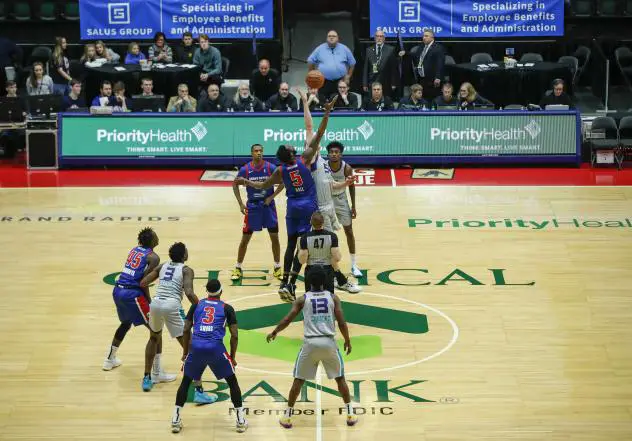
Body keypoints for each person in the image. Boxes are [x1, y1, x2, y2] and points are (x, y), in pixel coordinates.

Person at [235, 97, 337, 302]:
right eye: (291, 147)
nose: (294, 146)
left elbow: (262, 186)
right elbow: (320, 133)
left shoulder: (280, 171)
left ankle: (284, 283)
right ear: (291, 153)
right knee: (303, 246)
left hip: (292, 209)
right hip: (308, 207)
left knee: (291, 244)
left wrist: (246, 181)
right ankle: (290, 283)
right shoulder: (305, 159)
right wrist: (326, 113)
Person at [266, 265, 358, 429]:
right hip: (329, 342)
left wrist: (275, 331)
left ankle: (287, 416)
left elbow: (287, 319)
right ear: (325, 281)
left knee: (298, 380)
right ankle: (350, 413)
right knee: (340, 378)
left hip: (310, 343)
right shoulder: (333, 297)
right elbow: (342, 322)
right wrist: (347, 340)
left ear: (308, 281)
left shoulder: (302, 299)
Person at [298, 91, 360, 293]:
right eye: (310, 142)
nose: (312, 140)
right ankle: (338, 279)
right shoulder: (310, 161)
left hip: (330, 206)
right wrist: (327, 113)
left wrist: (306, 103)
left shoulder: (321, 161)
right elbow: (317, 131)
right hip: (321, 211)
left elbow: (332, 185)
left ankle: (331, 277)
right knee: (331, 249)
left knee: (329, 248)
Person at [139, 242, 213, 403]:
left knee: (153, 338)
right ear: (184, 256)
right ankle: (198, 390)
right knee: (192, 347)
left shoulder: (162, 266)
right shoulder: (186, 270)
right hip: (172, 306)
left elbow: (143, 282)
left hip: (156, 304)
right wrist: (201, 307)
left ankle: (147, 378)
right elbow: (189, 293)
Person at [172, 279, 247, 434]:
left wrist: (185, 352)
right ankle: (240, 420)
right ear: (221, 291)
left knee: (186, 382)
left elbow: (186, 330)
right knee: (232, 382)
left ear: (206, 291)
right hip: (215, 348)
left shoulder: (196, 305)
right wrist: (232, 357)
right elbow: (234, 335)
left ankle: (175, 419)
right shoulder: (227, 308)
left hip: (196, 347)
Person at [103, 228, 174, 385]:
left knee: (125, 323)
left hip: (118, 290)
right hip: (132, 294)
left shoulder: (135, 250)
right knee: (157, 330)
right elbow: (144, 281)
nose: (157, 237)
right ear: (152, 241)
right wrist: (149, 301)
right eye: (155, 236)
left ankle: (109, 359)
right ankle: (156, 372)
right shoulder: (153, 257)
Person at [231, 144, 283, 281]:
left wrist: (272, 197)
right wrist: (240, 203)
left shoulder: (270, 167)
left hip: (268, 207)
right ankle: (238, 267)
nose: (259, 153)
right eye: (256, 151)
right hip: (253, 208)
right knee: (245, 240)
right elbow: (234, 184)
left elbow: (283, 182)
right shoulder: (245, 169)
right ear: (251, 153)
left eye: (260, 151)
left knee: (275, 238)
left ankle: (278, 267)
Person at [327, 142, 362, 278]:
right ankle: (329, 265)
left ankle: (353, 265)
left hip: (341, 198)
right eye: (332, 152)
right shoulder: (324, 166)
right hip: (327, 200)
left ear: (340, 154)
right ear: (328, 154)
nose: (334, 154)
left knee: (349, 231)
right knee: (327, 233)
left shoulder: (346, 168)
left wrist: (353, 206)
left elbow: (351, 186)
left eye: (336, 152)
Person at [307, 30, 356, 100]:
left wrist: (348, 76)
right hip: (323, 81)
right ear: (326, 39)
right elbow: (310, 61)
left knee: (339, 100)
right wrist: (313, 74)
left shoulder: (344, 49)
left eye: (334, 36)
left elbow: (352, 63)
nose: (331, 38)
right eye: (329, 36)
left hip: (340, 81)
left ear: (338, 38)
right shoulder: (320, 48)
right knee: (323, 100)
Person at [362, 30, 402, 97]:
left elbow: (393, 69)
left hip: (386, 82)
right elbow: (366, 68)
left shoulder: (391, 49)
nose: (379, 38)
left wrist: (393, 83)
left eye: (381, 36)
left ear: (384, 38)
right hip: (372, 82)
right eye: (377, 36)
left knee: (385, 103)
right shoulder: (368, 50)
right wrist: (364, 83)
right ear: (374, 38)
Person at [407, 29, 445, 101]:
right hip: (421, 79)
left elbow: (440, 63)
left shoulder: (438, 48)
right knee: (422, 100)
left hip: (432, 80)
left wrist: (438, 77)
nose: (424, 38)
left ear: (432, 37)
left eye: (426, 36)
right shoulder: (422, 47)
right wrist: (406, 53)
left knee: (431, 100)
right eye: (423, 36)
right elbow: (416, 56)